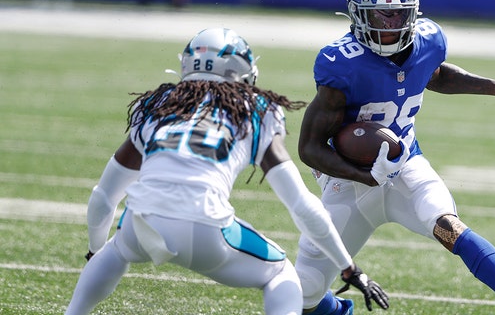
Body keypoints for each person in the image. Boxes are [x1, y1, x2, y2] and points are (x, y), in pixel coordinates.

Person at [65, 28, 389, 315]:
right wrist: (348, 267)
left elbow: (104, 197)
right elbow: (302, 205)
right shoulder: (254, 109)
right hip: (206, 227)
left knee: (115, 248)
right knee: (282, 274)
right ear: (241, 72)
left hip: (141, 223)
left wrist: (94, 249)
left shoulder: (158, 103)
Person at [294, 0, 495, 315]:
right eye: (383, 15)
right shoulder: (341, 61)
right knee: (305, 291)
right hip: (348, 183)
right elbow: (309, 147)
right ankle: (337, 310)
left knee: (450, 227)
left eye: (399, 14)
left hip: (407, 166)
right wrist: (366, 176)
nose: (392, 24)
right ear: (359, 14)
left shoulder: (428, 40)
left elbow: (435, 75)